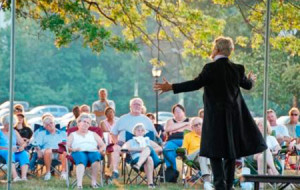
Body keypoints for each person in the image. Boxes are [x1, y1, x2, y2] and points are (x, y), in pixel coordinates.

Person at [154, 36, 267, 190]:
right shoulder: (237, 68)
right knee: (230, 153)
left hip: (215, 118)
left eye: (214, 47)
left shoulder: (210, 68)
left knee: (215, 152)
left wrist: (172, 87)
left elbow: (195, 84)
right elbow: (247, 85)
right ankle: (227, 186)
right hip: (233, 119)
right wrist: (251, 79)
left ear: (218, 49)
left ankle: (219, 185)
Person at [110, 98, 158, 179]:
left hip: (142, 144)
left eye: (139, 104)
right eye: (135, 104)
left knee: (153, 148)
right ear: (130, 106)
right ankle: (115, 171)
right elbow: (113, 132)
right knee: (115, 148)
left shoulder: (146, 120)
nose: (137, 106)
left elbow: (155, 135)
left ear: (142, 107)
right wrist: (116, 142)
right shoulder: (123, 118)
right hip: (124, 144)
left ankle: (148, 172)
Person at [67, 113, 106, 189]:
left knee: (96, 158)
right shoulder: (72, 134)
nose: (86, 124)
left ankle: (93, 182)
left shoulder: (93, 134)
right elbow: (67, 146)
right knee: (81, 160)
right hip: (78, 152)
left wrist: (100, 150)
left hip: (92, 151)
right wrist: (73, 149)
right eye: (84, 121)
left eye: (88, 123)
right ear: (78, 123)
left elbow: (103, 145)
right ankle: (79, 184)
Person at [122, 123, 162, 189]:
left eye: (142, 130)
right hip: (137, 159)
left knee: (148, 147)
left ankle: (138, 165)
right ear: (134, 132)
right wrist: (140, 149)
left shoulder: (148, 140)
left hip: (154, 161)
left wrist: (147, 150)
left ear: (144, 132)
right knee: (148, 158)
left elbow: (160, 148)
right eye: (138, 130)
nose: (140, 132)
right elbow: (123, 149)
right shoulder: (130, 141)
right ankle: (150, 184)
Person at [33, 115, 67, 180]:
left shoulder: (62, 133)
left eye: (51, 123)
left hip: (59, 152)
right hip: (46, 152)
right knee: (48, 151)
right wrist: (38, 151)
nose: (50, 125)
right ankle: (48, 173)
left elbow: (68, 144)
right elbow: (36, 144)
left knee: (63, 151)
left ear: (54, 123)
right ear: (45, 127)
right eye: (47, 124)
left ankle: (63, 173)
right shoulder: (41, 133)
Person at [182, 117, 213, 189]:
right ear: (192, 128)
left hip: (204, 157)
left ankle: (207, 182)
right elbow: (184, 149)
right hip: (192, 158)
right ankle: (211, 173)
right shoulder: (188, 136)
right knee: (203, 149)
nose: (198, 126)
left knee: (203, 155)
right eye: (196, 125)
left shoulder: (209, 135)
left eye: (200, 124)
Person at [0, 114, 29, 181]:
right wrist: (8, 149)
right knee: (9, 153)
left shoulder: (14, 131)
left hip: (15, 152)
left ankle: (24, 177)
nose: (11, 126)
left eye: (13, 125)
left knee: (24, 153)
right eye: (9, 125)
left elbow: (22, 142)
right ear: (4, 124)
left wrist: (22, 147)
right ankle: (15, 177)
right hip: (3, 153)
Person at [163, 104, 190, 171]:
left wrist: (175, 129)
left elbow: (190, 129)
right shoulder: (170, 121)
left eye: (179, 111)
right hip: (172, 142)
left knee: (169, 150)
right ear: (173, 113)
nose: (177, 113)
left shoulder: (190, 120)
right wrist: (185, 124)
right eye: (175, 111)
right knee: (167, 150)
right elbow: (168, 129)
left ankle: (172, 172)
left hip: (186, 142)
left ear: (183, 112)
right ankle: (173, 172)